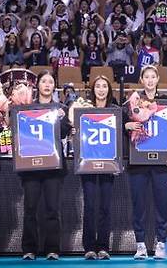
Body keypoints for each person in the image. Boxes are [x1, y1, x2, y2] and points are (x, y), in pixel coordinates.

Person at [127, 66, 167, 260]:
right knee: (139, 204)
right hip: (138, 162)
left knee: (161, 205)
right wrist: (127, 124)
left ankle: (161, 243)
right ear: (141, 79)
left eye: (153, 77)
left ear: (157, 79)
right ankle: (140, 244)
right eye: (146, 77)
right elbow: (123, 124)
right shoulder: (132, 101)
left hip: (161, 163)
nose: (149, 80)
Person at [20, 70, 70, 261]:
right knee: (30, 209)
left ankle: (52, 249)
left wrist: (61, 118)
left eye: (50, 82)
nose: (47, 85)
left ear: (53, 86)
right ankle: (29, 249)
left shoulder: (60, 108)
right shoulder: (27, 108)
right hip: (30, 168)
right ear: (37, 85)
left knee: (52, 210)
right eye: (44, 81)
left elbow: (65, 132)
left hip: (54, 168)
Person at [81, 75, 118, 260]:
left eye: (105, 86)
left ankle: (103, 246)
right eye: (98, 86)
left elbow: (123, 130)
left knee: (105, 206)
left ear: (109, 90)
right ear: (93, 89)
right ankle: (88, 247)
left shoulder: (115, 110)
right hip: (87, 163)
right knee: (89, 205)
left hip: (108, 163)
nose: (101, 89)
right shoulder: (84, 110)